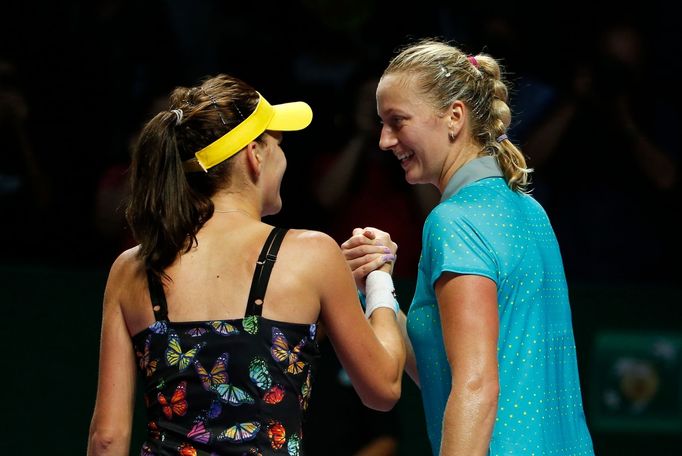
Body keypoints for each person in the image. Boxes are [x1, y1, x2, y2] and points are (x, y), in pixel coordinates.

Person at [87, 73, 406, 456]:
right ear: (255, 155)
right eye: (279, 144)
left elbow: (107, 438)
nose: (283, 158)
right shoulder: (313, 254)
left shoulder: (131, 268)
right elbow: (384, 388)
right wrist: (378, 278)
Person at [341, 39, 595, 455]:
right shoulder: (530, 210)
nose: (385, 140)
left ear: (454, 117)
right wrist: (378, 285)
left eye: (397, 121)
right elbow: (443, 370)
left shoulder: (453, 222)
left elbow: (476, 384)